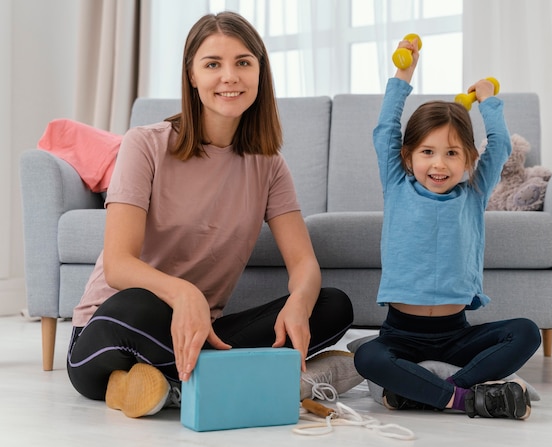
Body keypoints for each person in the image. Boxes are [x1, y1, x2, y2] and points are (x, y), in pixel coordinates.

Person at [66, 11, 361, 419]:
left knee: (332, 305)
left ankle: (169, 385)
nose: (230, 76)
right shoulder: (145, 145)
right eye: (212, 64)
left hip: (203, 333)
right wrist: (183, 293)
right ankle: (255, 380)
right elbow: (118, 265)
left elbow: (304, 264)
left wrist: (300, 300)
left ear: (260, 72)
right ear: (191, 75)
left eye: (243, 62)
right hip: (120, 329)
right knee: (135, 305)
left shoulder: (269, 165)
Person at [353, 36, 541, 420]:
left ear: (468, 159)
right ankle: (467, 398)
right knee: (368, 357)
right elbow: (385, 128)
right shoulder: (396, 182)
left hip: (457, 336)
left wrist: (487, 99)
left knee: (527, 332)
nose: (439, 164)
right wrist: (404, 73)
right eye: (427, 152)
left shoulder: (473, 191)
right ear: (408, 156)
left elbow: (500, 143)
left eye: (452, 153)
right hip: (400, 336)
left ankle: (436, 391)